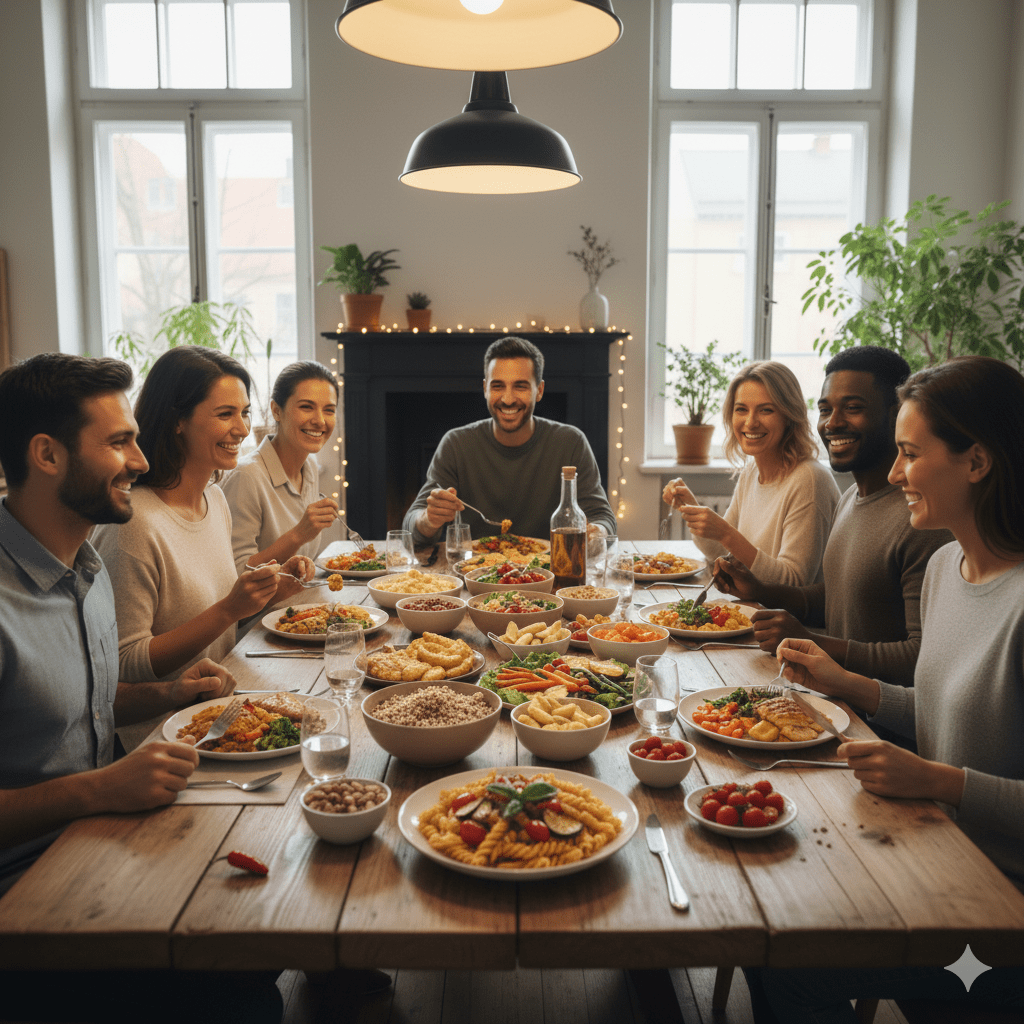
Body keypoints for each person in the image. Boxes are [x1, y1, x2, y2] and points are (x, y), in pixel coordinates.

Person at [755, 356, 1024, 1023]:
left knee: (786, 963)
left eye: (909, 453)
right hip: (934, 857)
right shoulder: (945, 570)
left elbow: (950, 761)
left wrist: (939, 780)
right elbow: (945, 708)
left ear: (977, 462)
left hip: (1000, 914)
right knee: (771, 902)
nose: (896, 472)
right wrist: (851, 685)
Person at [712, 346, 951, 685]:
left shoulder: (921, 519)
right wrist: (762, 589)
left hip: (873, 724)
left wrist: (813, 643)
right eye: (825, 409)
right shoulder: (851, 497)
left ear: (897, 413)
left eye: (853, 408)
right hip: (834, 699)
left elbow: (920, 659)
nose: (833, 423)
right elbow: (839, 596)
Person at [92, 347, 312, 690]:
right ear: (177, 420)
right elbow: (125, 663)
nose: (241, 429)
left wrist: (268, 593)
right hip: (167, 729)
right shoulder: (133, 523)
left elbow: (217, 630)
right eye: (225, 414)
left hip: (224, 700)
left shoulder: (215, 499)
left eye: (245, 413)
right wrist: (228, 609)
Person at [403, 335, 617, 543]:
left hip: (550, 572)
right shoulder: (456, 444)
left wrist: (596, 533)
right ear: (486, 389)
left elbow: (603, 519)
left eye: (520, 386)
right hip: (474, 571)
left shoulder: (571, 443)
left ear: (539, 390)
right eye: (498, 386)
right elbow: (411, 526)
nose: (507, 399)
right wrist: (429, 520)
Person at [663, 361, 840, 586]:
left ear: (789, 416)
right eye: (741, 409)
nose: (750, 422)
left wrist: (728, 534)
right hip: (753, 609)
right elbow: (718, 552)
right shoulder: (751, 471)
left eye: (766, 410)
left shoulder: (810, 479)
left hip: (793, 620)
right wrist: (692, 509)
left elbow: (793, 583)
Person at [222, 361, 340, 606]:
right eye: (307, 407)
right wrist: (298, 535)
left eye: (329, 410)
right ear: (277, 410)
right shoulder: (247, 476)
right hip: (254, 628)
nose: (320, 420)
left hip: (301, 609)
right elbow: (235, 576)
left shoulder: (309, 468)